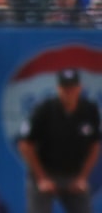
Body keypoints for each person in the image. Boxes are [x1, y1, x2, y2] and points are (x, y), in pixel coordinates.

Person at [18, 68, 101, 213]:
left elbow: (95, 145)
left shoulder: (90, 110)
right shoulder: (44, 109)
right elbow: (25, 144)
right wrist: (42, 178)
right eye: (65, 88)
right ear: (58, 88)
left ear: (79, 88)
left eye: (72, 88)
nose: (68, 92)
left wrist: (82, 177)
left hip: (73, 174)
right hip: (44, 172)